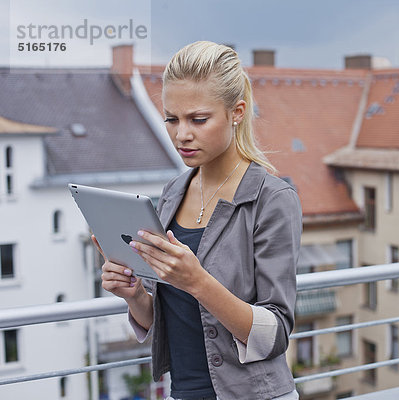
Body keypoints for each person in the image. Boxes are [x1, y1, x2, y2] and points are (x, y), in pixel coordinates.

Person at [95, 41, 302, 400]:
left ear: (237, 112)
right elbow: (174, 321)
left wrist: (197, 282)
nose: (181, 134)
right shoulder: (173, 193)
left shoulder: (272, 200)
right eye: (172, 119)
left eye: (198, 119)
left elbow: (275, 334)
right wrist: (134, 297)